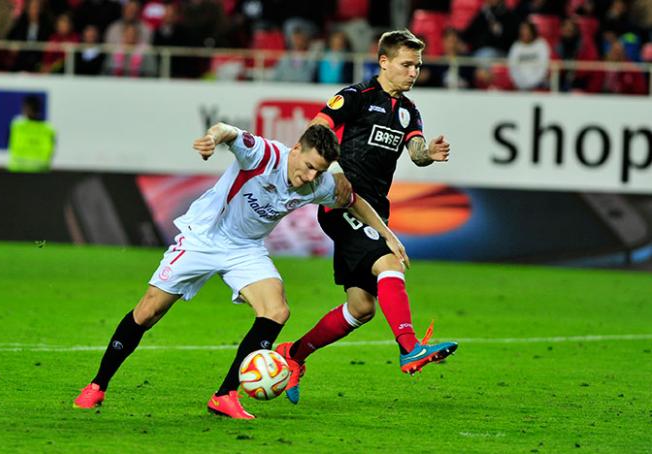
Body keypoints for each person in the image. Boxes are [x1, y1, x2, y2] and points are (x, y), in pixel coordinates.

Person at [73, 122, 409, 419]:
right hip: (204, 238)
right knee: (147, 312)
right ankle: (98, 385)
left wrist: (388, 236)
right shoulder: (264, 155)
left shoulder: (317, 184)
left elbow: (354, 200)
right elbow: (227, 131)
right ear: (295, 150)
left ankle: (225, 395)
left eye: (318, 172)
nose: (309, 177)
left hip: (245, 250)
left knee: (276, 311)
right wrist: (210, 138)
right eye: (308, 166)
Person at [275, 29, 458, 405]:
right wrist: (334, 169)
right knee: (390, 262)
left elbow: (417, 152)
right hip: (340, 202)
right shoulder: (356, 97)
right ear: (385, 62)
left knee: (361, 308)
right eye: (407, 64)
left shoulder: (409, 110)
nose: (413, 72)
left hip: (375, 207)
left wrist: (429, 155)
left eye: (418, 66)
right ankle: (409, 348)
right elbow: (318, 127)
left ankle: (293, 355)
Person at [7, 95, 56, 172]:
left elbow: (8, 142)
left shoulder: (16, 126)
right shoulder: (48, 129)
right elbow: (51, 151)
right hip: (40, 172)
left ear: (26, 108)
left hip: (17, 171)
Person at [507, 20, 550, 91]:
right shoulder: (516, 46)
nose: (524, 33)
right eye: (522, 32)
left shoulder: (541, 44)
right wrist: (520, 83)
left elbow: (544, 67)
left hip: (538, 85)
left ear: (532, 32)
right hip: (519, 86)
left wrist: (533, 83)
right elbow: (512, 68)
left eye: (527, 31)